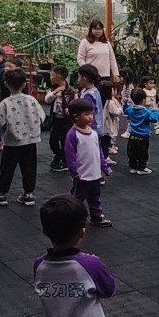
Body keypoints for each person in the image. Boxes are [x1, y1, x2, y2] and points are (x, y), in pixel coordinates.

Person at [0, 67, 45, 207]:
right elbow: (42, 116)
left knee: (7, 168)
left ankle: (2, 194)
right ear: (24, 84)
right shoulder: (31, 100)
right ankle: (29, 193)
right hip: (31, 140)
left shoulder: (5, 103)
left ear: (6, 84)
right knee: (29, 167)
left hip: (12, 141)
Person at [65, 98, 112, 228]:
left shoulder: (94, 133)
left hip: (95, 174)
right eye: (86, 114)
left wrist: (105, 167)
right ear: (76, 116)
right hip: (82, 175)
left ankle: (96, 216)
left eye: (91, 113)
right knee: (78, 198)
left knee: (95, 197)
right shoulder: (73, 135)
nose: (91, 117)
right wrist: (74, 173)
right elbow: (70, 156)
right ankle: (72, 218)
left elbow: (99, 152)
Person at [44, 65, 77, 173]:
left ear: (58, 77)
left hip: (66, 120)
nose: (50, 77)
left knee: (65, 141)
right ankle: (59, 155)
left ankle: (62, 160)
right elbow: (47, 100)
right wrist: (55, 92)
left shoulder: (70, 91)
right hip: (56, 119)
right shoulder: (54, 88)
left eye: (52, 75)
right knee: (53, 140)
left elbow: (74, 104)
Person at [75, 20, 120, 93]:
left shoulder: (106, 43)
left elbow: (112, 59)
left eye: (100, 29)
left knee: (105, 96)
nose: (98, 31)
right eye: (95, 29)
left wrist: (116, 74)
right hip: (91, 77)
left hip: (105, 76)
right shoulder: (85, 42)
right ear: (91, 29)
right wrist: (87, 70)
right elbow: (80, 58)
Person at [125, 87, 159, 175]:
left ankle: (133, 167)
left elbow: (126, 110)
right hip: (143, 137)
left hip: (132, 136)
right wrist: (157, 111)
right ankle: (142, 168)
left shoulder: (130, 109)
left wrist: (126, 104)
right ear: (144, 100)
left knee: (132, 153)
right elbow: (154, 119)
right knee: (143, 153)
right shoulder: (146, 112)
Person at [104, 80, 124, 155]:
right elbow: (115, 112)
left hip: (109, 120)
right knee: (111, 133)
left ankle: (111, 145)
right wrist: (120, 108)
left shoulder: (106, 100)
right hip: (110, 121)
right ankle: (110, 147)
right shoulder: (111, 102)